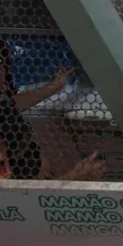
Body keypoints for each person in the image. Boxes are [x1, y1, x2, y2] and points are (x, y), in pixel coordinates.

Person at [0, 41, 105, 180]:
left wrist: (54, 87)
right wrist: (77, 176)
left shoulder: (3, 101)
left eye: (1, 63)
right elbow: (25, 193)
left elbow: (9, 105)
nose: (3, 73)